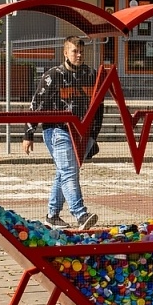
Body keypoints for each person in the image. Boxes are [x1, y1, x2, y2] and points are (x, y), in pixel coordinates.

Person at [22, 35, 102, 229]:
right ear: (65, 52)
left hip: (82, 132)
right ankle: (81, 214)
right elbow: (37, 103)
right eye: (75, 51)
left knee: (63, 172)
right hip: (58, 131)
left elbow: (98, 107)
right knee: (68, 171)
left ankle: (52, 214)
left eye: (82, 51)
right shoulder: (53, 75)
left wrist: (93, 136)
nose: (79, 54)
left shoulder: (91, 75)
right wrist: (28, 133)